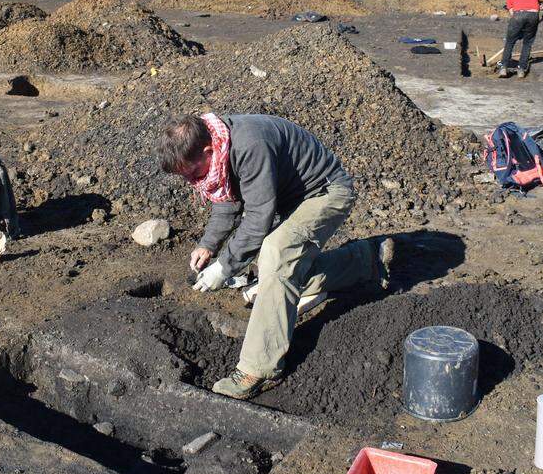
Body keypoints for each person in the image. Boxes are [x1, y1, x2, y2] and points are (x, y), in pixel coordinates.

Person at [157, 113, 396, 400]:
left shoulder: (250, 145)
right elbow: (228, 199)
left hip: (326, 192)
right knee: (278, 273)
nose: (192, 182)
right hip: (294, 198)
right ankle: (365, 260)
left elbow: (258, 219)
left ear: (208, 151)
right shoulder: (219, 142)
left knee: (276, 254)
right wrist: (209, 245)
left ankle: (259, 369)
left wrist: (225, 267)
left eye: (193, 173)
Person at [499, 0, 543, 78]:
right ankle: (521, 70)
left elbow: (512, 15)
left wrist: (518, 32)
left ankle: (503, 67)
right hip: (534, 15)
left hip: (518, 15)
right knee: (527, 44)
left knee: (510, 42)